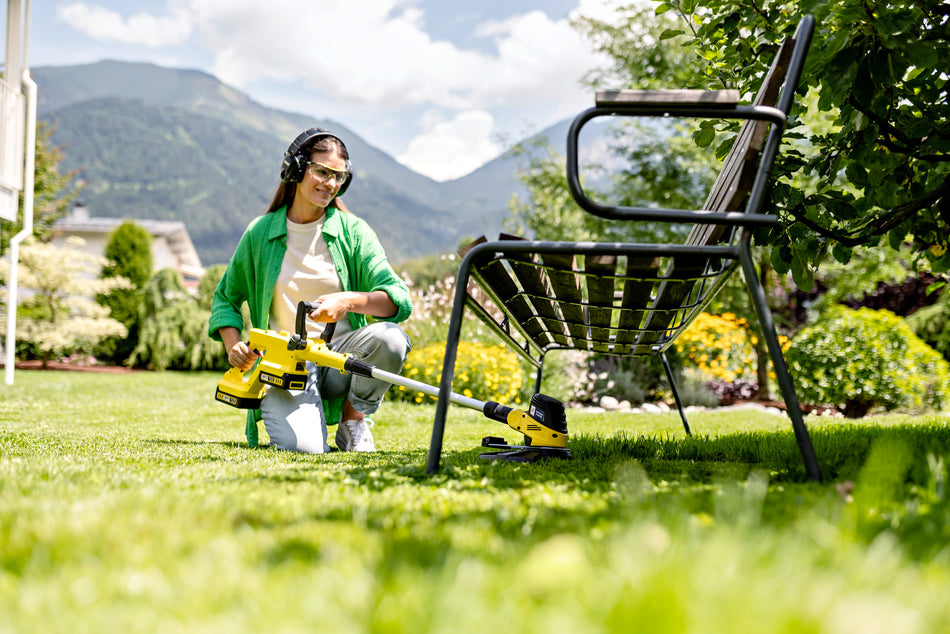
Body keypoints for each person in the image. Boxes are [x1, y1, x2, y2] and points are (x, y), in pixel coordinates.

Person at [208, 128, 412, 453]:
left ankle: (353, 420)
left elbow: (397, 300)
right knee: (305, 449)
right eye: (321, 171)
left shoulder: (354, 232)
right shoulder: (260, 234)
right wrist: (233, 345)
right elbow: (225, 300)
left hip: (343, 358)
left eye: (338, 176)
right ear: (297, 169)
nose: (330, 183)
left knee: (391, 339)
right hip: (287, 364)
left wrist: (348, 301)